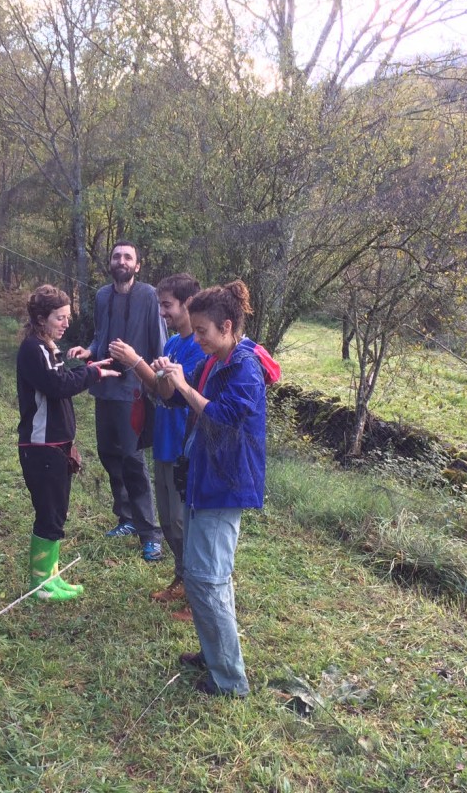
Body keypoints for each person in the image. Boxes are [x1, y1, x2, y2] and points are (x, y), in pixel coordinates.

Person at [152, 280, 280, 697]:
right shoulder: (213, 360)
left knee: (211, 580)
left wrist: (185, 388)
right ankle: (212, 656)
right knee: (197, 575)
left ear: (226, 326)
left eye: (203, 330)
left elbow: (223, 417)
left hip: (225, 483)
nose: (199, 337)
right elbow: (180, 400)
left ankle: (230, 680)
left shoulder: (244, 367)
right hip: (201, 477)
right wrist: (169, 379)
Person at [108, 273, 206, 621]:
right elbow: (160, 391)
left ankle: (197, 598)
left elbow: (179, 394)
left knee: (182, 522)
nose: (162, 312)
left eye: (167, 305)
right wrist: (147, 371)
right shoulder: (171, 345)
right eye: (160, 305)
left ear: (187, 305)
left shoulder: (199, 346)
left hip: (183, 445)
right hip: (163, 442)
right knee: (167, 521)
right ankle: (181, 579)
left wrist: (136, 362)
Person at [17, 284, 120, 602]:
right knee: (48, 514)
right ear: (41, 318)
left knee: (57, 514)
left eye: (67, 317)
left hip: (55, 446)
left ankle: (52, 577)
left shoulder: (48, 348)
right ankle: (40, 586)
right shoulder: (34, 348)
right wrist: (93, 375)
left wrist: (88, 369)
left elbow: (62, 378)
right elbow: (57, 385)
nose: (65, 323)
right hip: (41, 447)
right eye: (60, 318)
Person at [67, 241, 168, 561]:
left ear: (138, 265)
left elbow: (159, 341)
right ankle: (126, 518)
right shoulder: (100, 296)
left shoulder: (149, 296)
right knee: (110, 454)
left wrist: (157, 381)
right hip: (104, 388)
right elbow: (101, 335)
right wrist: (89, 351)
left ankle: (150, 532)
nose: (121, 261)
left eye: (128, 257)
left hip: (134, 392)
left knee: (133, 459)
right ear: (110, 263)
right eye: (116, 256)